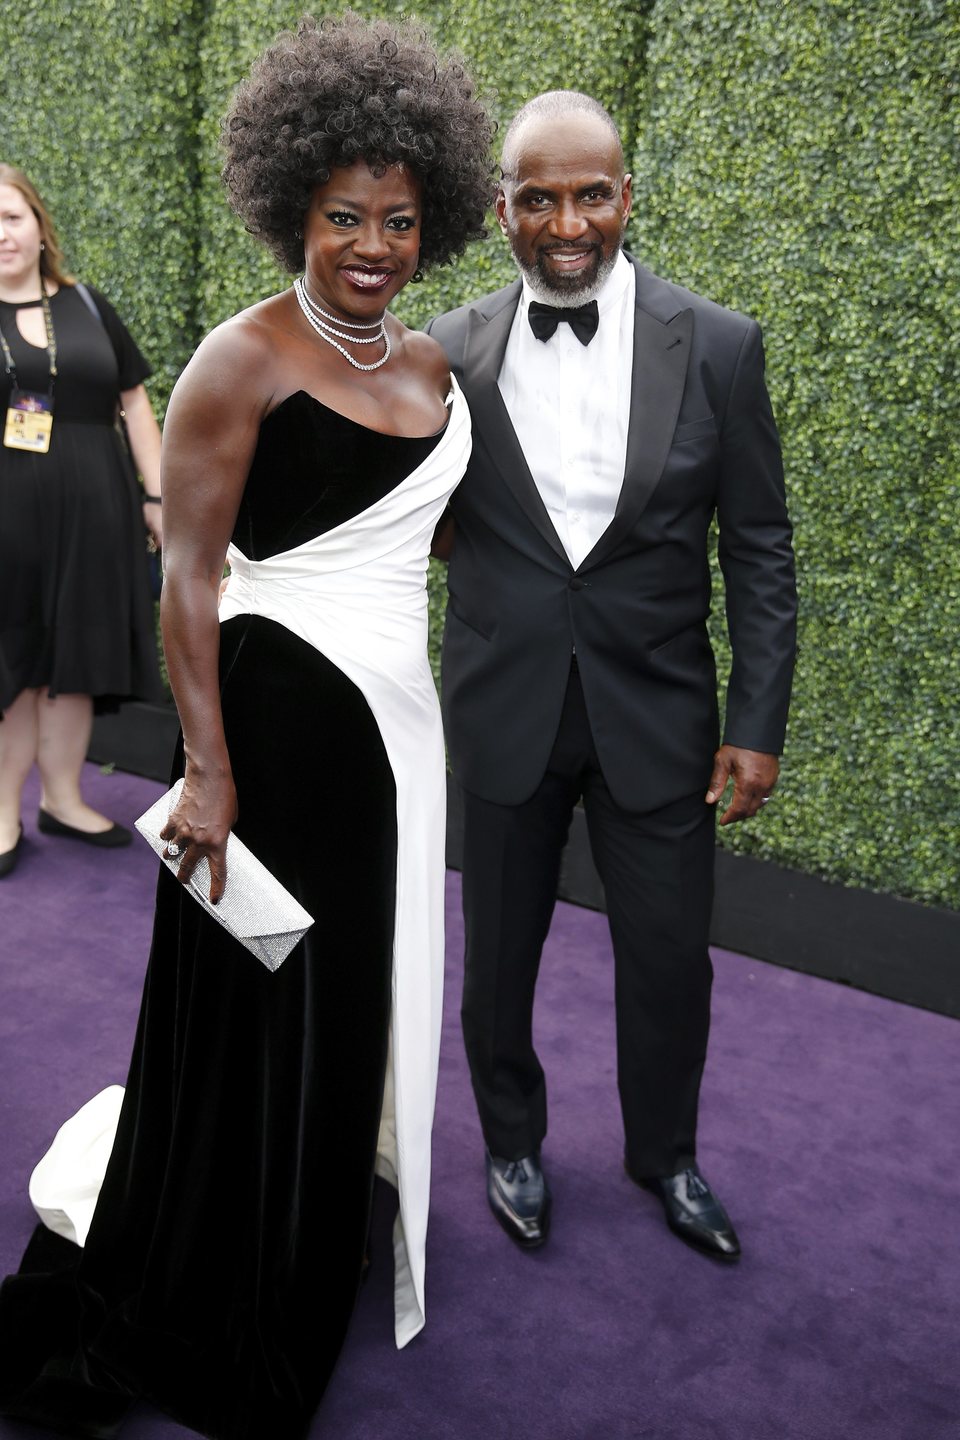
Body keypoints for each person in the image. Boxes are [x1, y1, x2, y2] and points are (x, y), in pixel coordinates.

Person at [0, 15, 491, 1439]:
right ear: (294, 206)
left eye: (401, 219)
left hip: (391, 746)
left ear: (434, 221)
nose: (374, 244)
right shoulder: (242, 356)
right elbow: (192, 579)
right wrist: (205, 770)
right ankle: (221, 1248)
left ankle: (306, 1214)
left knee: (345, 1000)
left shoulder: (435, 369)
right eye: (346, 215)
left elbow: (415, 530)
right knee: (257, 1000)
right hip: (265, 746)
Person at [427, 91, 797, 1259]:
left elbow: (759, 547)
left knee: (670, 961)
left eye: (591, 194)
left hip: (663, 717)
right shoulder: (447, 347)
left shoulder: (722, 345)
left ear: (627, 196)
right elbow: (409, 519)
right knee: (497, 959)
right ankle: (512, 1142)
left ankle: (667, 1157)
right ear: (504, 211)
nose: (568, 221)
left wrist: (757, 722)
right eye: (540, 198)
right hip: (502, 708)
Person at [0, 165, 164, 877]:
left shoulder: (89, 305)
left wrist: (157, 498)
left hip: (101, 512)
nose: (0, 235)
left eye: (9, 217)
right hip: (9, 521)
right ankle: (2, 808)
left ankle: (62, 799)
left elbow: (133, 403)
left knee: (74, 659)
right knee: (15, 662)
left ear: (39, 225)